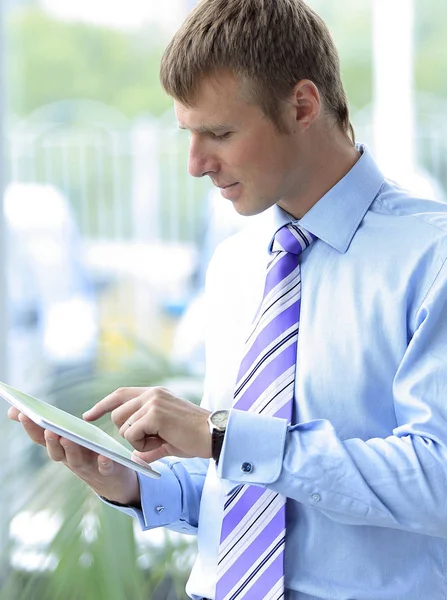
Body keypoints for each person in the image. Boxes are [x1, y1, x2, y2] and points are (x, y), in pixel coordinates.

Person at [8, 0, 447, 598]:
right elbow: (244, 492)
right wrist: (129, 483)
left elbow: (436, 482)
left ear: (302, 106)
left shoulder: (432, 258)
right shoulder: (237, 268)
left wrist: (222, 435)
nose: (195, 165)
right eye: (188, 134)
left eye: (219, 133)